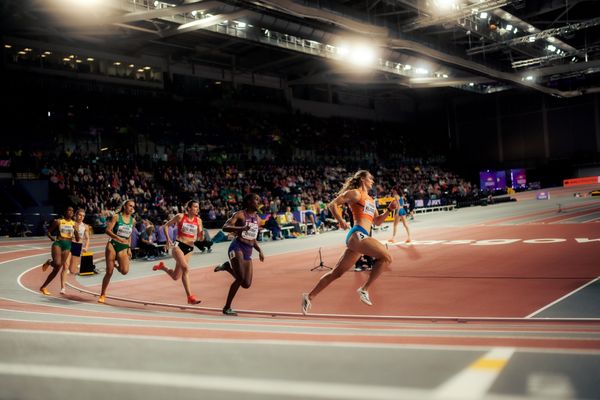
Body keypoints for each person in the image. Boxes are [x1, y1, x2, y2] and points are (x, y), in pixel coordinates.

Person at [302, 170, 397, 314]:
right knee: (386, 257)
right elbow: (333, 205)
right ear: (363, 179)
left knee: (336, 273)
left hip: (361, 238)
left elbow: (377, 222)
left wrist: (389, 210)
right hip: (357, 234)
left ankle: (309, 296)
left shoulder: (371, 200)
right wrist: (340, 221)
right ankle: (364, 289)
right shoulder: (355, 193)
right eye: (370, 178)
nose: (372, 181)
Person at [214, 193, 265, 316]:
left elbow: (253, 238)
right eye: (256, 199)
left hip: (248, 250)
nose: (258, 202)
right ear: (248, 202)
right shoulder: (240, 214)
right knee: (240, 278)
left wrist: (259, 250)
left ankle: (227, 267)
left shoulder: (258, 219)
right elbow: (225, 227)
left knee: (246, 284)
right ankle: (227, 307)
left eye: (259, 200)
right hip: (237, 247)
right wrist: (241, 228)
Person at [152, 200, 203, 304]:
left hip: (189, 249)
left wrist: (201, 237)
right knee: (185, 268)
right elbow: (166, 225)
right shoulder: (180, 216)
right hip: (178, 246)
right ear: (189, 208)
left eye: (198, 207)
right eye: (195, 207)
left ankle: (163, 267)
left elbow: (200, 237)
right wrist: (168, 239)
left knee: (175, 276)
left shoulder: (198, 221)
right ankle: (190, 297)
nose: (197, 209)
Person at [98, 200, 136, 304]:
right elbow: (107, 230)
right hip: (113, 244)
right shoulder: (116, 217)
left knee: (124, 271)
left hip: (123, 246)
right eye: (130, 205)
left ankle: (116, 265)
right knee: (109, 272)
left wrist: (129, 248)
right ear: (124, 206)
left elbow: (130, 235)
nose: (131, 208)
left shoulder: (133, 221)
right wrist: (117, 238)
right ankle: (102, 294)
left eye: (133, 206)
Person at [40, 207, 79, 295]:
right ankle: (50, 262)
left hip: (68, 246)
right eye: (69, 210)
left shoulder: (74, 223)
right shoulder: (58, 221)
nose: (71, 212)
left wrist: (75, 230)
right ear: (65, 212)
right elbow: (48, 231)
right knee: (57, 263)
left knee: (57, 269)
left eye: (72, 211)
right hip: (58, 244)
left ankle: (43, 287)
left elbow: (77, 239)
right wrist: (51, 238)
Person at [60, 208, 90, 294]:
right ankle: (63, 288)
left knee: (72, 270)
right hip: (69, 244)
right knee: (65, 267)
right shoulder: (70, 223)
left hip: (78, 246)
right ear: (76, 215)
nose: (81, 217)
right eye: (80, 215)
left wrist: (86, 247)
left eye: (83, 216)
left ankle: (52, 262)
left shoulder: (85, 226)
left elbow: (87, 238)